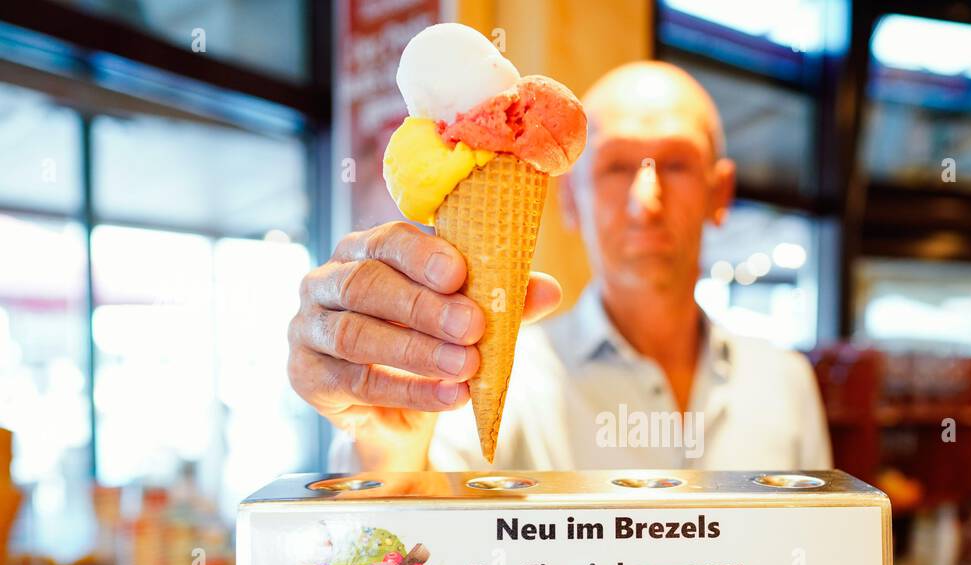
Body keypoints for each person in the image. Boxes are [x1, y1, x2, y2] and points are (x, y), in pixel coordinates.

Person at [289, 61, 831, 472]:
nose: (647, 199)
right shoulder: (490, 376)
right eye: (617, 167)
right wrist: (384, 446)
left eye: (677, 164)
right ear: (571, 198)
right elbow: (421, 522)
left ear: (721, 192)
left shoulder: (787, 383)